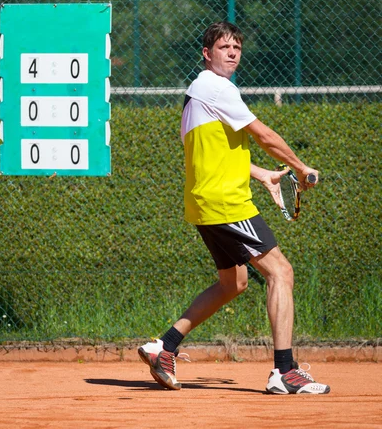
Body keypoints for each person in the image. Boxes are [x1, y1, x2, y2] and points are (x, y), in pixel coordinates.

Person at [138, 21, 330, 395]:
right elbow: (264, 135)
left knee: (234, 283)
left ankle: (164, 347)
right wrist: (299, 167)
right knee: (281, 273)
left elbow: (217, 153)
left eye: (237, 48)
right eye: (224, 47)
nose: (232, 52)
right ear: (206, 54)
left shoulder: (196, 95)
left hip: (203, 202)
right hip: (226, 202)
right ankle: (285, 372)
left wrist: (261, 174)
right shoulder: (217, 87)